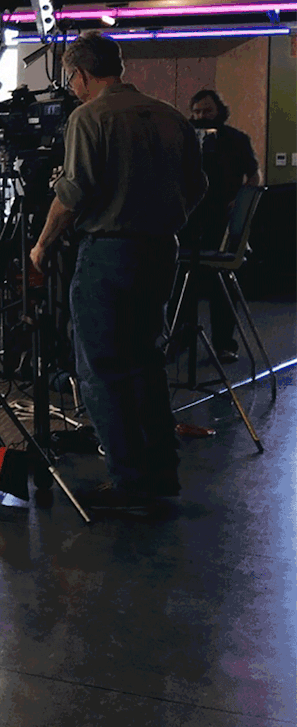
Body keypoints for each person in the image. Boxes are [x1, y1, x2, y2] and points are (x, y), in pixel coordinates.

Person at [29, 31, 206, 510]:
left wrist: (42, 244)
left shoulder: (90, 117)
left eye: (71, 79)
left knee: (102, 369)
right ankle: (161, 473)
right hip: (160, 251)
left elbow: (73, 194)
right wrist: (166, 217)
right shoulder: (169, 116)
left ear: (82, 73)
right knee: (145, 362)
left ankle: (129, 481)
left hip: (109, 253)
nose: (72, 88)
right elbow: (198, 184)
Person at [186, 89, 261, 362]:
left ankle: (224, 344)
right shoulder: (187, 139)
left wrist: (241, 201)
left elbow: (254, 175)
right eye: (196, 112)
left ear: (219, 110)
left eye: (206, 111)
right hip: (189, 218)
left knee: (222, 284)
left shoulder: (236, 139)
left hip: (222, 218)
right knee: (182, 282)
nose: (201, 116)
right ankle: (180, 338)